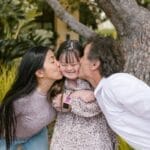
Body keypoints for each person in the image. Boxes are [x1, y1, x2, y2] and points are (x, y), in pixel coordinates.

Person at [78, 35, 150, 150]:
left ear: (95, 64)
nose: (79, 60)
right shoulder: (104, 90)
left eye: (83, 56)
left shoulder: (116, 83)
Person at [49, 40, 117, 150]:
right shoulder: (59, 84)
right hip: (65, 141)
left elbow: (93, 108)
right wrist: (75, 95)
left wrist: (66, 100)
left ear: (82, 61)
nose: (69, 68)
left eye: (74, 64)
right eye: (64, 64)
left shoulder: (90, 82)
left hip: (94, 140)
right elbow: (58, 103)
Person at [0, 46, 62, 150]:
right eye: (52, 61)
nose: (59, 63)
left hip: (36, 134)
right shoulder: (20, 101)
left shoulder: (59, 89)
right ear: (40, 73)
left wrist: (71, 99)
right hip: (6, 137)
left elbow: (68, 106)